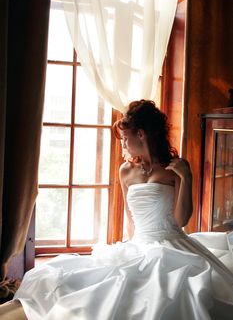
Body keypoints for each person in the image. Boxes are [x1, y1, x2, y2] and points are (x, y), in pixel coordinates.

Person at [2, 99, 233, 319]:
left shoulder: (175, 168)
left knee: (174, 293)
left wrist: (187, 177)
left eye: (125, 138)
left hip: (172, 243)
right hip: (139, 244)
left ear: (140, 134)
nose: (122, 144)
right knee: (95, 285)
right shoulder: (125, 171)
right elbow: (131, 219)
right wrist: (131, 249)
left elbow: (181, 220)